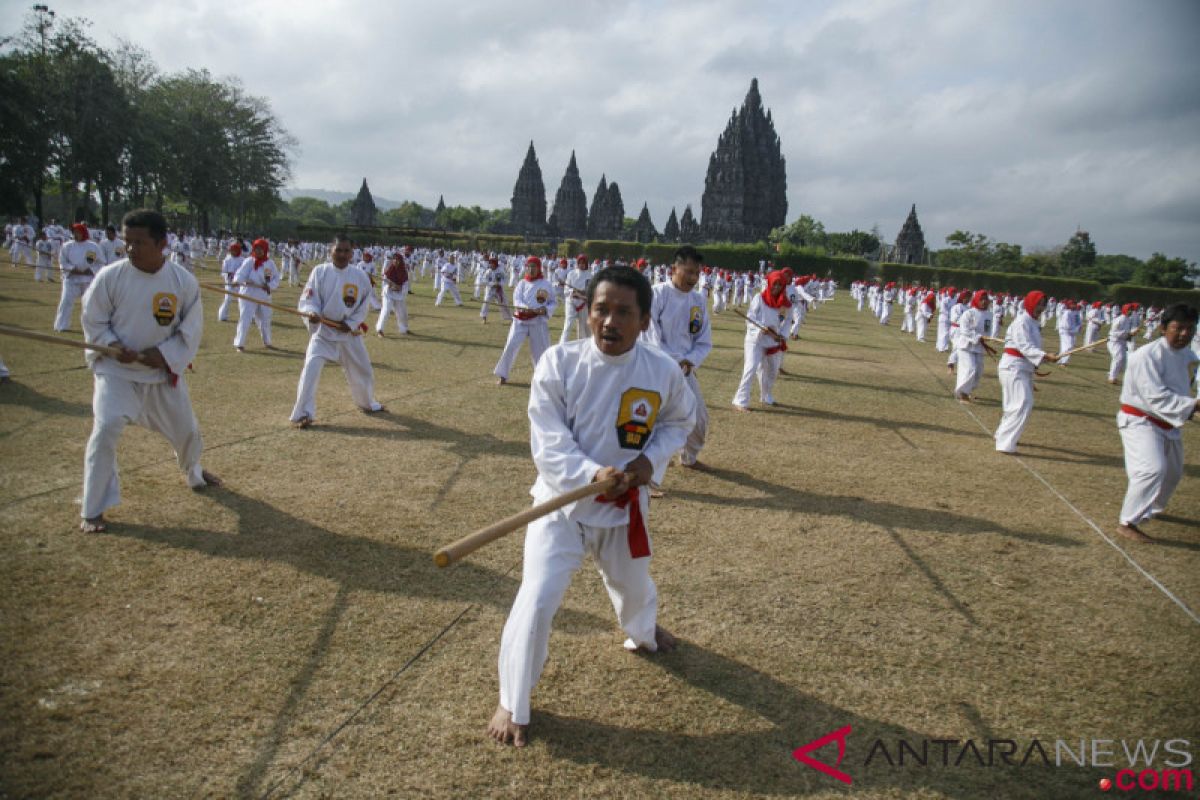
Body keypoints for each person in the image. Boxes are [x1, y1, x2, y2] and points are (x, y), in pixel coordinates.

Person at [486, 265, 695, 747]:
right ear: (587, 311)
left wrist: (648, 461)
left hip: (624, 510)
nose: (609, 321)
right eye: (601, 309)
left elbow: (679, 423)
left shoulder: (660, 369)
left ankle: (643, 630)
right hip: (559, 506)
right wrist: (589, 476)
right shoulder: (559, 362)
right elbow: (548, 437)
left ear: (644, 321)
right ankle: (512, 701)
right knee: (536, 599)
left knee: (633, 584)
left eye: (624, 312)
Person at [78, 209, 221, 533]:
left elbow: (192, 330)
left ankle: (193, 471)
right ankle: (93, 508)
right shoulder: (110, 277)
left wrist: (164, 355)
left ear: (161, 243)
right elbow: (93, 320)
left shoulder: (182, 282)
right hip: (116, 374)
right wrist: (111, 344)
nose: (130, 249)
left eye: (138, 242)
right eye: (127, 242)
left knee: (187, 431)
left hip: (160, 375)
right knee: (107, 427)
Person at [1114, 304, 1199, 543]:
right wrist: (1193, 405)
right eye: (1178, 328)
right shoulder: (1146, 355)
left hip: (1168, 422)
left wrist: (1190, 407)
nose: (1184, 334)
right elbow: (1155, 396)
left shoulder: (1189, 356)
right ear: (1163, 328)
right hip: (1140, 419)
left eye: (1189, 329)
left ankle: (1150, 507)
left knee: (1172, 473)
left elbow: (1183, 388)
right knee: (1152, 469)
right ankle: (1127, 522)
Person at [289, 235, 385, 428]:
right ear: (330, 251)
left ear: (352, 253)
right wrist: (312, 313)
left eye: (346, 251)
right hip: (323, 333)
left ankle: (367, 403)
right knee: (310, 371)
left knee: (363, 371)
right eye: (338, 250)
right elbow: (309, 298)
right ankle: (303, 414)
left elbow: (364, 304)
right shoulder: (320, 272)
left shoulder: (360, 276)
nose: (342, 254)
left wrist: (350, 323)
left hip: (348, 333)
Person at [644, 245, 712, 469]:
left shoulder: (699, 301)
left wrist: (690, 361)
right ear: (674, 268)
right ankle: (646, 473)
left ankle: (689, 458)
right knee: (649, 422)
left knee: (699, 419)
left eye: (697, 273)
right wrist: (674, 359)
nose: (693, 277)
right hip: (657, 367)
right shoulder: (657, 294)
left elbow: (703, 340)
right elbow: (651, 335)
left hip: (686, 369)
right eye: (689, 271)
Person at [994, 291, 1059, 453]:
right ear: (1030, 303)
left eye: (1043, 304)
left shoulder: (1033, 323)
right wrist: (1044, 356)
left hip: (1022, 368)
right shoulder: (1022, 321)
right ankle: (1004, 443)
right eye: (1038, 304)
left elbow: (1030, 348)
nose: (1041, 308)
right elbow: (1024, 346)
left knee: (1013, 405)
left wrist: (1043, 357)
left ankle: (1001, 435)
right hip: (1013, 367)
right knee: (1022, 404)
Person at [731, 270, 791, 411]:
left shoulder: (786, 304)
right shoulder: (759, 298)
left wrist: (781, 335)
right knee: (751, 367)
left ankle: (766, 395)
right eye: (774, 284)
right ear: (769, 283)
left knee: (772, 371)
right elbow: (750, 319)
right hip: (755, 340)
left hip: (774, 341)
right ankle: (740, 400)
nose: (776, 287)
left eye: (779, 285)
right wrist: (761, 329)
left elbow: (788, 321)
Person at [493, 257, 556, 386]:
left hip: (538, 322)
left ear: (539, 268)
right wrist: (524, 308)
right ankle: (503, 375)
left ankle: (542, 377)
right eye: (529, 266)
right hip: (520, 320)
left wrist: (545, 310)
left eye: (534, 266)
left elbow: (553, 302)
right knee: (510, 346)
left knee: (541, 351)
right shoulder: (522, 283)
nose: (531, 269)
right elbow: (517, 299)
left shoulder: (546, 284)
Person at [55, 223, 104, 332]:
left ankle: (93, 327)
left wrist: (90, 270)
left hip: (88, 280)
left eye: (78, 233)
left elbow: (100, 262)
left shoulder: (93, 246)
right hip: (71, 279)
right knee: (66, 301)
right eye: (74, 233)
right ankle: (62, 325)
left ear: (84, 233)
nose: (76, 235)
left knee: (91, 303)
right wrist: (72, 269)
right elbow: (62, 261)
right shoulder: (67, 246)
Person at [232, 238, 279, 351]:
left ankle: (267, 342)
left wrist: (269, 286)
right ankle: (240, 343)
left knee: (265, 319)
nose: (258, 251)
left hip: (263, 294)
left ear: (265, 250)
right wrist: (237, 281)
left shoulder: (269, 264)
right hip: (248, 293)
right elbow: (241, 274)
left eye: (260, 249)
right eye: (256, 249)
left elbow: (274, 279)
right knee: (245, 318)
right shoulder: (249, 261)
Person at [951, 290, 996, 402]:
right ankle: (962, 393)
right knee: (970, 369)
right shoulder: (969, 313)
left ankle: (967, 391)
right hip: (966, 346)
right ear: (976, 299)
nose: (984, 302)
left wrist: (986, 337)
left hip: (979, 347)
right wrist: (977, 336)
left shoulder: (989, 315)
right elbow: (964, 330)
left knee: (978, 371)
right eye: (982, 299)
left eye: (986, 299)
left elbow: (987, 330)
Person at [376, 250, 410, 336]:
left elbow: (406, 285)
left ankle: (403, 329)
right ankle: (380, 329)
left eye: (397, 259)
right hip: (388, 293)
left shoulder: (404, 272)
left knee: (402, 313)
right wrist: (390, 285)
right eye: (394, 259)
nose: (395, 261)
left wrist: (399, 288)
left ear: (401, 261)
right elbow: (385, 281)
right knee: (386, 309)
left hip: (399, 295)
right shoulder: (390, 269)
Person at [218, 242, 243, 323]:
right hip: (229, 283)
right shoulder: (227, 259)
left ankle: (245, 316)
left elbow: (243, 272)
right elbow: (223, 272)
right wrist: (228, 275)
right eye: (231, 250)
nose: (233, 252)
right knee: (227, 299)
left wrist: (237, 276)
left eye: (234, 250)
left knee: (243, 300)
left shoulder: (242, 260)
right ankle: (222, 316)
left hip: (239, 283)